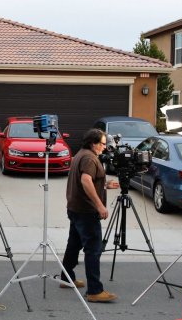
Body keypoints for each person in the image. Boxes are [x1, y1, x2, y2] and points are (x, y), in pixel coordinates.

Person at [60, 128, 119, 303]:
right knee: (93, 249)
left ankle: (66, 278)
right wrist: (100, 205)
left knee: (74, 244)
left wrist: (105, 185)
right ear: (93, 143)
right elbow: (86, 180)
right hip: (86, 211)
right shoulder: (89, 158)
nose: (104, 147)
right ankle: (95, 291)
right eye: (102, 143)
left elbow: (87, 180)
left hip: (76, 208)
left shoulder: (81, 154)